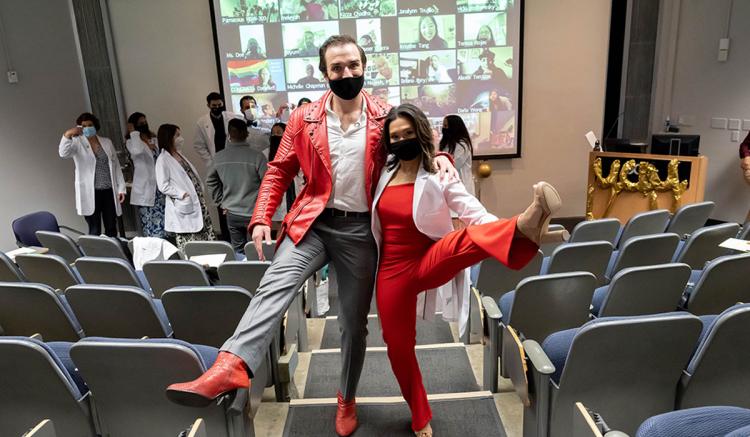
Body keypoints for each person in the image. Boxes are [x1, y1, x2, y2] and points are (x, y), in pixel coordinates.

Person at [165, 34, 457, 437]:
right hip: (314, 222)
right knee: (274, 285)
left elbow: (417, 138)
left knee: (353, 325)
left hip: (360, 231)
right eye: (337, 68)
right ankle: (230, 365)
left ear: (363, 66)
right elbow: (280, 168)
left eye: (353, 65)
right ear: (324, 73)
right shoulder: (305, 119)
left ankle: (346, 398)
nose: (346, 73)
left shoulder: (384, 114)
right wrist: (263, 215)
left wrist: (439, 155)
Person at [373, 104, 566, 436]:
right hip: (391, 272)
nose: (401, 140)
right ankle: (420, 414)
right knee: (398, 347)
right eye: (395, 136)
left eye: (408, 133)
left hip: (428, 257)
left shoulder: (438, 173)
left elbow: (472, 212)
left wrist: (504, 225)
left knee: (466, 237)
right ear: (388, 142)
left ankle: (524, 223)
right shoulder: (381, 174)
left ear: (420, 134)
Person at [59, 113, 126, 237]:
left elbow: (115, 165)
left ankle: (114, 254)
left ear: (95, 126)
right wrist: (68, 134)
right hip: (91, 192)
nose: (87, 128)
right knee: (94, 229)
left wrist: (121, 188)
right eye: (83, 126)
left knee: (111, 227)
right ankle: (97, 255)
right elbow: (63, 153)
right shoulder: (76, 143)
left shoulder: (106, 142)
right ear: (79, 127)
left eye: (90, 125)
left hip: (108, 191)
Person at [206, 119, 267, 253]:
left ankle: (240, 272)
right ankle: (260, 273)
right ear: (246, 133)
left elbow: (210, 181)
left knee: (238, 251)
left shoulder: (219, 157)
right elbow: (268, 184)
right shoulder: (257, 156)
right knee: (257, 250)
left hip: (232, 212)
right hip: (254, 212)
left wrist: (221, 202)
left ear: (229, 135)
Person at [156, 124, 216, 250]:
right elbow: (163, 185)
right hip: (185, 203)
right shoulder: (163, 159)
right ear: (169, 138)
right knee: (191, 243)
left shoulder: (179, 155)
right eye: (177, 135)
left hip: (198, 202)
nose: (181, 138)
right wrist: (181, 194)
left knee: (207, 239)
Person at [126, 112, 166, 238]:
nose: (144, 124)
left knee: (163, 218)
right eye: (140, 123)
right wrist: (133, 132)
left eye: (145, 122)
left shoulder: (153, 137)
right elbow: (137, 150)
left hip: (159, 185)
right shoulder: (131, 141)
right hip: (145, 186)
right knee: (149, 219)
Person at [194, 92, 244, 167]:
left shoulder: (231, 116)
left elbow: (245, 123)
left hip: (233, 157)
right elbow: (199, 145)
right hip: (216, 160)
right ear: (208, 105)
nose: (217, 107)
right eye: (214, 105)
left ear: (222, 103)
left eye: (219, 105)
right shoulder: (202, 122)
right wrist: (209, 162)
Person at [440, 115, 474, 196]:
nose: (443, 128)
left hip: (462, 184)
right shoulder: (445, 144)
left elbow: (455, 164)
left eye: (446, 126)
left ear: (454, 127)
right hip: (448, 184)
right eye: (443, 126)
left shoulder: (463, 145)